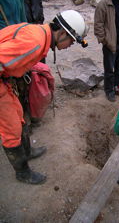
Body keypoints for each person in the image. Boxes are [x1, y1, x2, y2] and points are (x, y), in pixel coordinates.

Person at [0, 10, 88, 185]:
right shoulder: (35, 42)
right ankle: (22, 172)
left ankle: (26, 151)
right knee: (11, 128)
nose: (70, 45)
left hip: (5, 78)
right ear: (62, 33)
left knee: (19, 117)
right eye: (71, 40)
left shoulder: (39, 34)